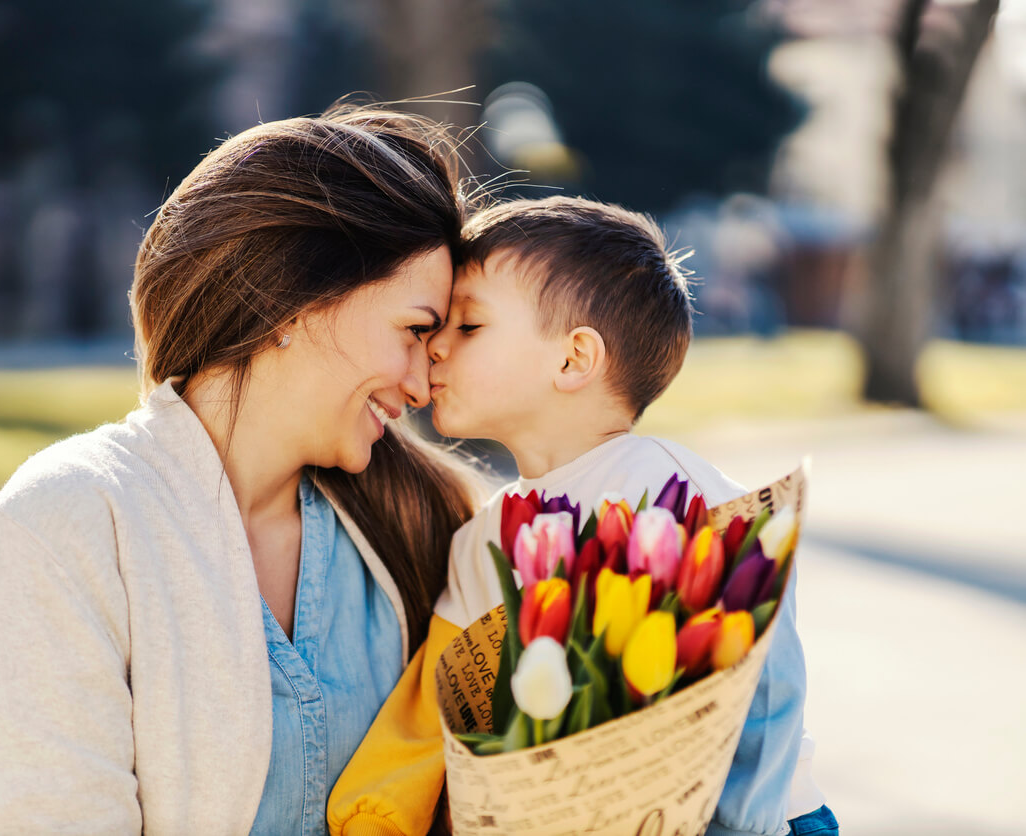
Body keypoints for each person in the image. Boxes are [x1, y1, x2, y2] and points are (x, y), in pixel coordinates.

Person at [0, 103, 485, 835]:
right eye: (414, 330)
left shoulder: (416, 523)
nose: (421, 385)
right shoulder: (71, 518)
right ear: (294, 301)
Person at [328, 197, 837, 836]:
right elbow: (440, 708)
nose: (434, 347)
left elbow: (765, 688)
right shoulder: (482, 538)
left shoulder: (666, 496)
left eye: (469, 326)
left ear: (573, 360)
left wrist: (745, 825)